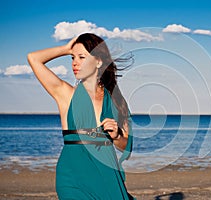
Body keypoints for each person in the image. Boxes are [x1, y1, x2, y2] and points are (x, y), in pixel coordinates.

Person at [27, 33, 134, 199]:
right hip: (72, 176)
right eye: (72, 58)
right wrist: (64, 49)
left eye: (82, 57)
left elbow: (126, 146)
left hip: (105, 173)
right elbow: (33, 58)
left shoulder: (116, 101)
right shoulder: (66, 94)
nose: (75, 63)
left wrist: (117, 135)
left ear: (98, 61)